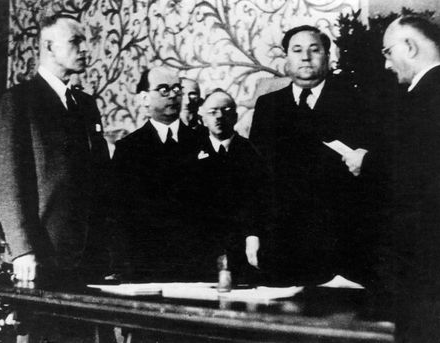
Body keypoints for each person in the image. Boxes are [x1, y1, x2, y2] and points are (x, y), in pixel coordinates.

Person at [249, 25, 374, 285]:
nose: (305, 57)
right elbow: (256, 178)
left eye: (314, 50)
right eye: (297, 50)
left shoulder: (356, 101)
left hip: (340, 245)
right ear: (286, 58)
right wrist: (252, 232)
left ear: (328, 56)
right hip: (282, 243)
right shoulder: (268, 106)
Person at [0, 14, 109, 283]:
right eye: (75, 41)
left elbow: (100, 179)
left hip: (88, 256)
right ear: (49, 46)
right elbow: (6, 182)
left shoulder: (86, 105)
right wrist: (22, 250)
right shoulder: (19, 101)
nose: (86, 49)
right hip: (42, 255)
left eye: (85, 41)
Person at [376, 15, 440, 343]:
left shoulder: (420, 101)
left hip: (429, 263)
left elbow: (415, 183)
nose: (386, 65)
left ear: (408, 46)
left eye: (386, 52)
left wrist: (366, 162)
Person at [111, 66, 201, 280]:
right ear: (144, 98)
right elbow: (117, 212)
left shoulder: (203, 142)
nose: (173, 95)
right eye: (163, 89)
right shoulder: (128, 149)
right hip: (145, 263)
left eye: (177, 89)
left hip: (196, 262)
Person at [183, 89, 269, 281]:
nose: (220, 117)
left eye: (226, 111)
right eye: (213, 112)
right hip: (199, 241)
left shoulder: (252, 153)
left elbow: (258, 200)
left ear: (236, 116)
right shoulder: (189, 152)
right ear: (202, 118)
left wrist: (252, 235)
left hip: (241, 241)